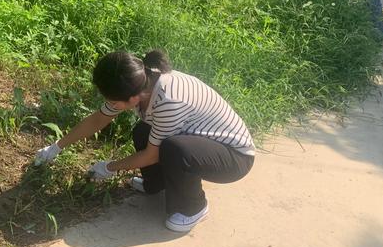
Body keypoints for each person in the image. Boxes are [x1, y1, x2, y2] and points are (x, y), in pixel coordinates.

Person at [34, 50, 255, 232]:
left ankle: (193, 208)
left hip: (234, 157)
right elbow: (98, 119)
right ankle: (156, 184)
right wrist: (56, 147)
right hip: (203, 142)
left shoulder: (168, 100)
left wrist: (109, 167)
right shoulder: (140, 81)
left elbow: (153, 155)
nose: (107, 103)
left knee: (173, 149)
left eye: (111, 99)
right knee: (143, 131)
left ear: (131, 99)